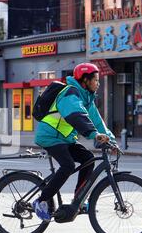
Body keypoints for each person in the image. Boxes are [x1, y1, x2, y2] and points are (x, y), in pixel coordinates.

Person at [33, 63, 117, 221]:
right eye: (95, 80)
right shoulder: (70, 94)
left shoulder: (87, 98)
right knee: (68, 165)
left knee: (88, 159)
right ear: (85, 80)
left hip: (65, 138)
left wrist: (111, 141)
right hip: (49, 136)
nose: (98, 83)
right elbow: (76, 115)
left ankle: (78, 201)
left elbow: (97, 122)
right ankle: (41, 201)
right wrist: (93, 135)